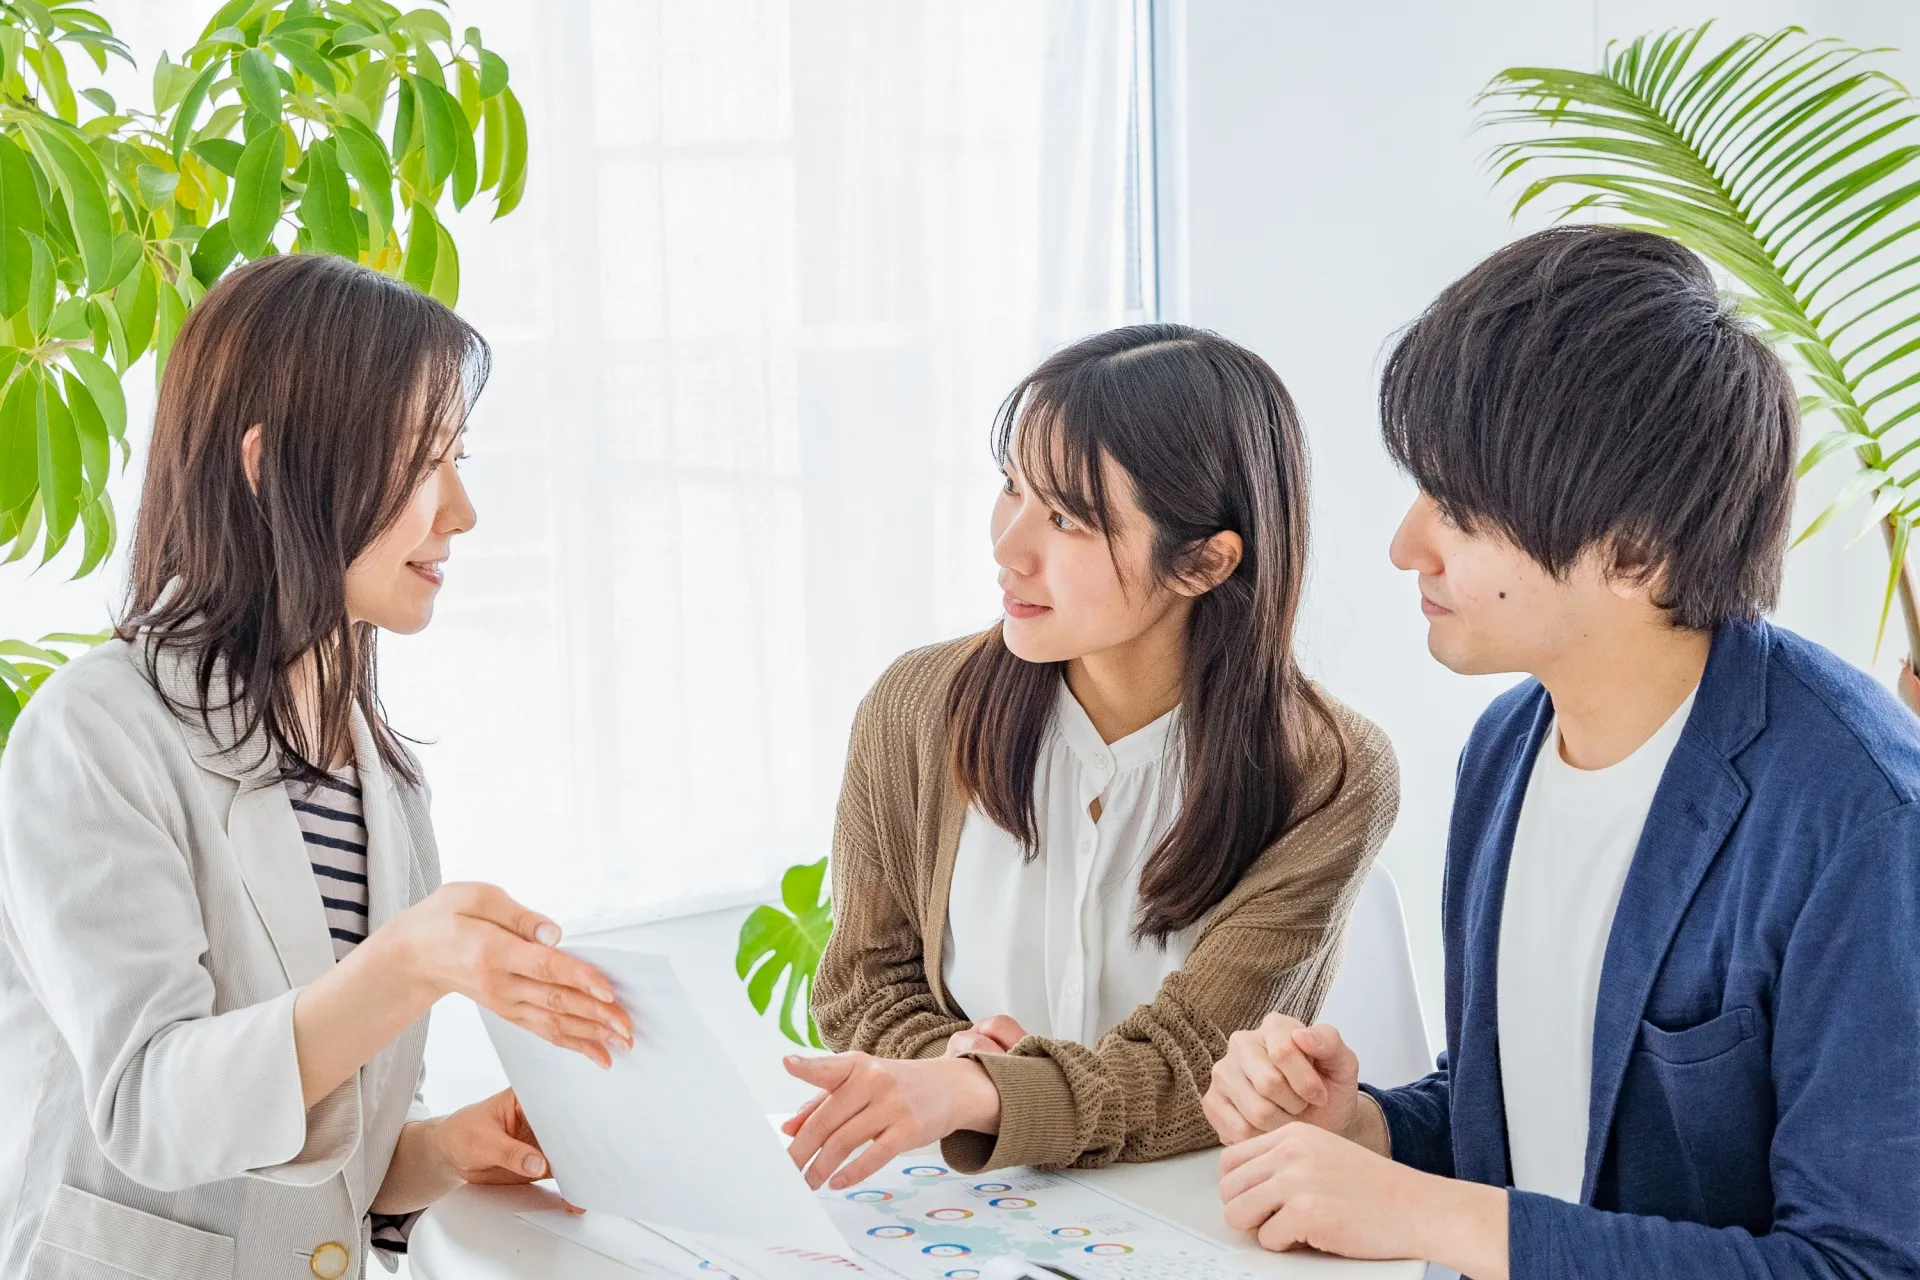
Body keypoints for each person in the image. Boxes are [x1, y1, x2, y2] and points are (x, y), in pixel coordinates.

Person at [1203, 226, 1920, 1277]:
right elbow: (1537, 1127)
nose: (1406, 545)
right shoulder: (1506, 748)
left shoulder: (1861, 819)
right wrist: (1365, 1128)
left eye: (1458, 509)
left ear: (1634, 552)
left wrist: (1436, 1217)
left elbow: (1865, 1263)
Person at [0, 255, 634, 1279]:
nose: (461, 510)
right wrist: (410, 963)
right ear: (269, 466)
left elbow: (330, 1159)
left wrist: (446, 1149)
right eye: (424, 461)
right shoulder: (94, 735)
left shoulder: (385, 782)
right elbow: (152, 1106)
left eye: (458, 457)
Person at [780, 324, 1399, 1190]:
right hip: (969, 1207)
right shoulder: (917, 708)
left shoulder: (1326, 772)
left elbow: (1191, 1071)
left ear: (1203, 562)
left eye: (1066, 518)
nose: (1007, 547)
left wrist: (988, 1091)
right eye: (1012, 487)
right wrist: (948, 1066)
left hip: (1201, 1214)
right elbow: (861, 986)